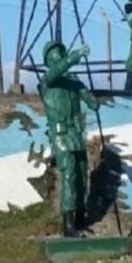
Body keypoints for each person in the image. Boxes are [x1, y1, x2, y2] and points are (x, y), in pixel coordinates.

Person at [38, 41, 99, 237]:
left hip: (76, 134)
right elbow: (59, 69)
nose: (58, 56)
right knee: (69, 175)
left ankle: (80, 217)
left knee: (81, 174)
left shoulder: (73, 81)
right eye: (54, 55)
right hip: (61, 135)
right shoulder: (47, 81)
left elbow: (87, 96)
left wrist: (92, 101)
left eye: (60, 53)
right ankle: (68, 223)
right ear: (48, 61)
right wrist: (75, 56)